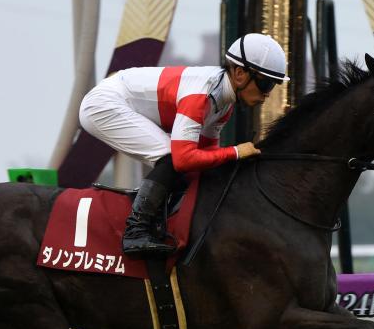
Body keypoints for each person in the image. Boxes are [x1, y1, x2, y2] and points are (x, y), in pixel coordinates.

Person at [79, 33, 291, 257]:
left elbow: (206, 156)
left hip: (121, 98)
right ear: (240, 74)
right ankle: (135, 232)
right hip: (104, 104)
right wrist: (236, 152)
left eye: (273, 85)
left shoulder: (224, 105)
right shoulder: (202, 95)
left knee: (183, 164)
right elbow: (184, 159)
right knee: (172, 157)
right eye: (265, 83)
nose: (267, 93)